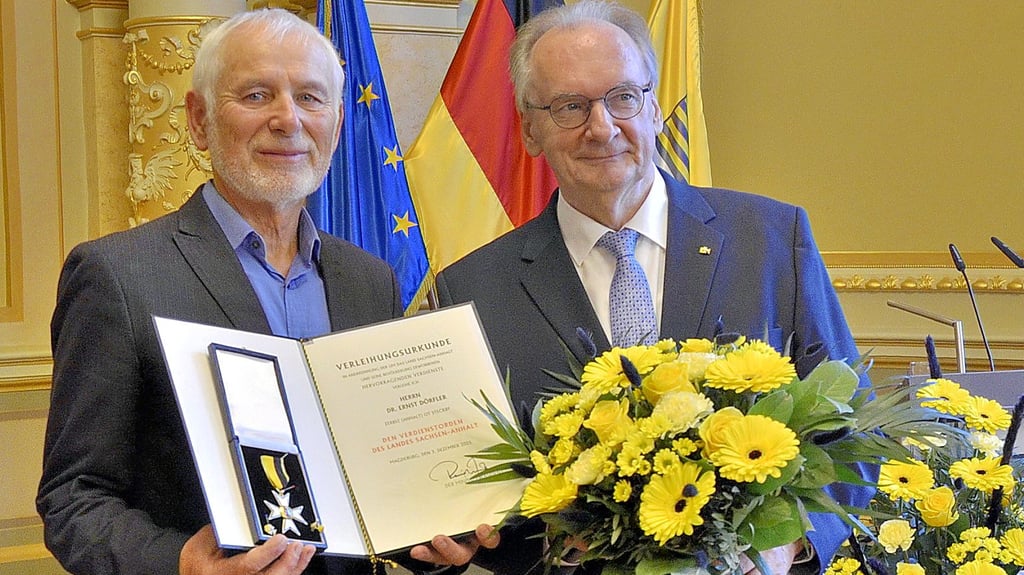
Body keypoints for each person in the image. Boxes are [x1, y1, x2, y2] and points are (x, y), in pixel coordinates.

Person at [429, 1, 874, 574]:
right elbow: (475, 497)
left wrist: (787, 544)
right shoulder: (473, 287)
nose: (601, 127)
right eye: (569, 107)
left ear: (656, 108)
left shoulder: (771, 240)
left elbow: (851, 434)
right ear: (529, 130)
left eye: (622, 97)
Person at [37, 9, 487, 575]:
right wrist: (180, 563)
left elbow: (379, 481)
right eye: (255, 95)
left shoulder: (369, 280)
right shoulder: (117, 276)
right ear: (199, 120)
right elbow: (74, 498)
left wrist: (433, 541)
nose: (287, 120)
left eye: (310, 97)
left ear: (339, 123)